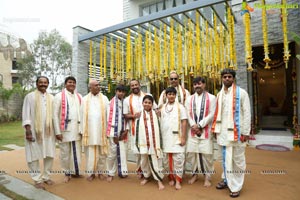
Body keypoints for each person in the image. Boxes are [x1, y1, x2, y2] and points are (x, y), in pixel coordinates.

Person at [211, 68, 251, 198]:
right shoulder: (219, 94)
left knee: (237, 160)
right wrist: (215, 130)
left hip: (238, 133)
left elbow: (247, 113)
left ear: (233, 78)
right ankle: (226, 179)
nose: (227, 79)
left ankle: (236, 186)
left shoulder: (242, 93)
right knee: (225, 158)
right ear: (221, 79)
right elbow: (217, 114)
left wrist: (245, 132)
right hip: (223, 133)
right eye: (224, 77)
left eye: (229, 76)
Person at [22, 76, 56, 189]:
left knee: (50, 155)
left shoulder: (52, 97)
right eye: (40, 82)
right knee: (33, 155)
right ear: (36, 84)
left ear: (48, 84)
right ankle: (37, 179)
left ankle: (46, 177)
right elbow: (26, 114)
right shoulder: (30, 97)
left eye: (45, 82)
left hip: (49, 132)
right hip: (34, 132)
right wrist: (28, 130)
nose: (43, 84)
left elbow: (55, 116)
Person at [185, 77, 216, 187]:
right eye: (195, 84)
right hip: (192, 131)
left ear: (204, 84)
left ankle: (207, 176)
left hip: (205, 131)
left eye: (199, 84)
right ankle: (194, 174)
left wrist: (200, 125)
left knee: (207, 155)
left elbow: (212, 114)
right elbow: (187, 113)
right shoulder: (189, 99)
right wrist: (193, 125)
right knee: (192, 154)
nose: (197, 86)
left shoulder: (212, 98)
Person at [123, 79, 157, 178]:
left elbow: (155, 109)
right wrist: (134, 116)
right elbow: (125, 115)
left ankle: (150, 170)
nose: (134, 87)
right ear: (130, 87)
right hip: (135, 130)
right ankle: (140, 170)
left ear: (139, 85)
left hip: (149, 129)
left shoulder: (148, 95)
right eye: (132, 85)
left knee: (149, 149)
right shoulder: (127, 100)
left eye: (136, 85)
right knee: (138, 151)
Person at [53, 76, 83, 183]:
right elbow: (55, 115)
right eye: (70, 82)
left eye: (74, 83)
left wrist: (82, 130)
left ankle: (76, 171)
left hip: (76, 129)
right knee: (65, 153)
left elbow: (82, 114)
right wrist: (57, 131)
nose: (72, 84)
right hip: (64, 130)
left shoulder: (79, 96)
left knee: (76, 152)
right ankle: (66, 173)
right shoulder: (58, 96)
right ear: (65, 84)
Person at [81, 79, 109, 181]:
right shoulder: (84, 100)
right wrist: (82, 131)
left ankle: (101, 172)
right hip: (90, 132)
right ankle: (91, 173)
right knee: (90, 154)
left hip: (102, 130)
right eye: (96, 85)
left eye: (98, 85)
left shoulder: (105, 99)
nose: (98, 87)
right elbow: (81, 116)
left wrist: (109, 130)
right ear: (90, 87)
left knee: (102, 153)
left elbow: (108, 115)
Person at [134, 95, 164, 190]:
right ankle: (146, 176)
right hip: (143, 143)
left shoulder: (156, 114)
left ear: (152, 104)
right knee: (144, 161)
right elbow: (137, 130)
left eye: (149, 102)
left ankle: (159, 180)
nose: (147, 104)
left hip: (154, 143)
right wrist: (138, 144)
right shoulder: (139, 115)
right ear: (142, 103)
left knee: (156, 161)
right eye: (145, 102)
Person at [160, 87, 187, 190]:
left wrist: (183, 137)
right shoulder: (162, 107)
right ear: (166, 96)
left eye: (173, 94)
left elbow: (184, 121)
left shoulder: (181, 107)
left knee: (178, 159)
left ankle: (178, 180)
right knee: (167, 160)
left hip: (177, 137)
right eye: (169, 94)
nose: (171, 96)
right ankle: (171, 177)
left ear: (175, 95)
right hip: (166, 138)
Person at [106, 85, 128, 182]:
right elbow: (108, 120)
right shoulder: (110, 103)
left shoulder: (125, 102)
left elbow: (126, 117)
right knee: (112, 154)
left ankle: (122, 171)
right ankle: (110, 173)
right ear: (116, 91)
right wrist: (114, 134)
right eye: (119, 91)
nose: (121, 93)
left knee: (123, 153)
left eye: (123, 92)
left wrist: (126, 131)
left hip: (123, 132)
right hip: (113, 132)